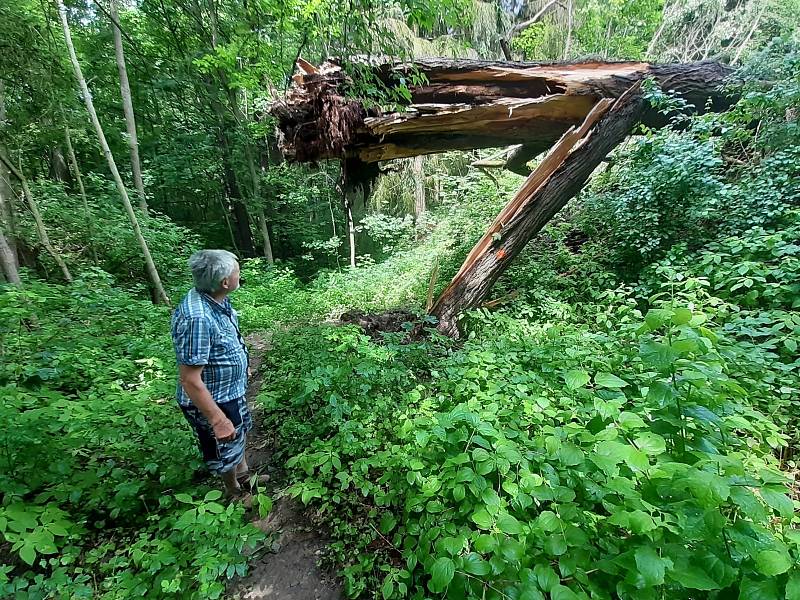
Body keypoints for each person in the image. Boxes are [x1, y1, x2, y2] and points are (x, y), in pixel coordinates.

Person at [171, 249, 256, 497]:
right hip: (214, 399)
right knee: (224, 448)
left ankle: (245, 477)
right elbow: (189, 379)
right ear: (225, 282)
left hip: (230, 390)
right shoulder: (197, 317)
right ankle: (234, 491)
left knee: (238, 435)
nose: (240, 275)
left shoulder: (216, 299)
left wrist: (242, 365)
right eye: (237, 272)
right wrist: (217, 419)